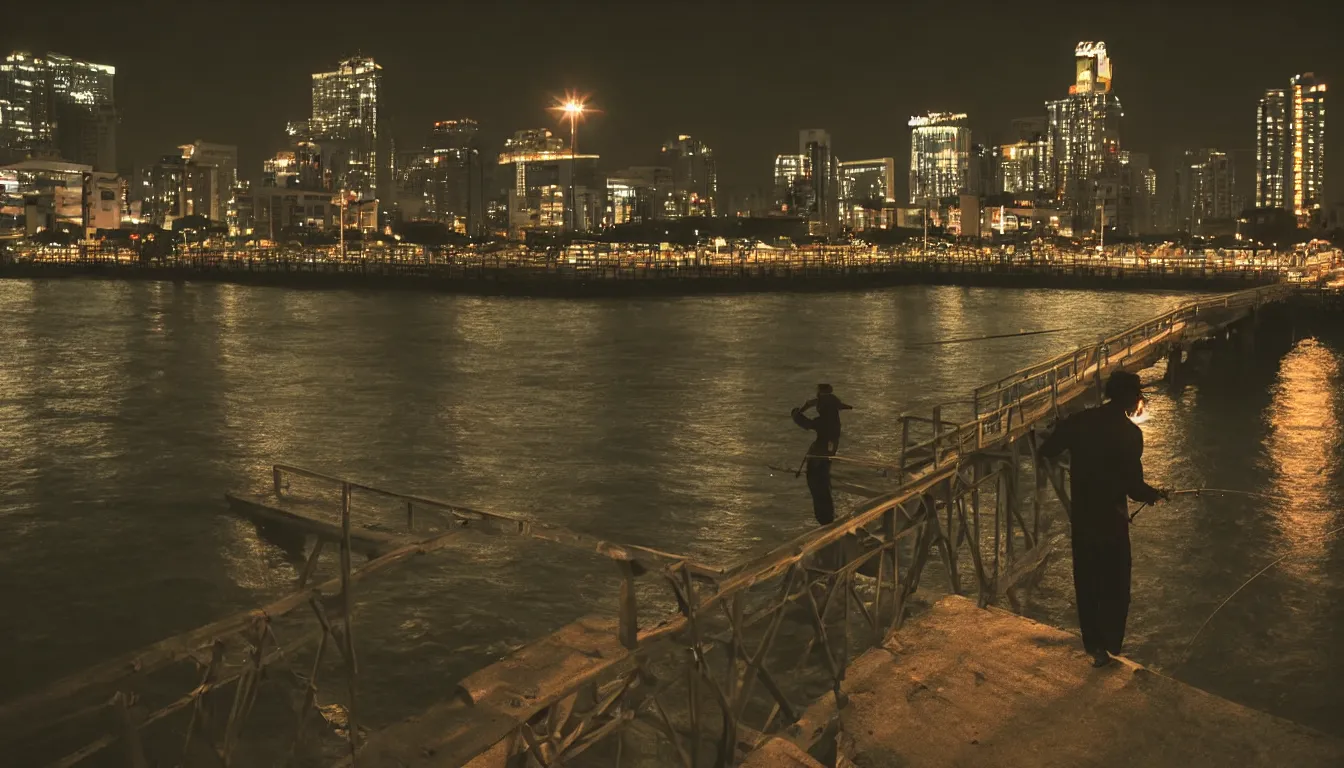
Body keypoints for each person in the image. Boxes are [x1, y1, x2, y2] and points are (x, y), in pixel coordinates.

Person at [1038, 370, 1166, 667]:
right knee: (1116, 585)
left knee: (1087, 582)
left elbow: (1048, 449)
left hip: (1084, 519)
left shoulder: (1080, 422)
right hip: (1113, 522)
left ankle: (1095, 647)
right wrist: (1155, 494)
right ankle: (1112, 645)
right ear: (1132, 397)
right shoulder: (1131, 434)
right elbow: (1134, 488)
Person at [791, 404, 836, 526]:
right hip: (824, 460)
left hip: (818, 462)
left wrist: (797, 412)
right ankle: (827, 519)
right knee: (824, 490)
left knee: (819, 490)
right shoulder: (833, 421)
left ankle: (824, 520)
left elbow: (805, 423)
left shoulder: (824, 421)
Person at [801, 384, 854, 454]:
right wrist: (849, 407)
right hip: (834, 423)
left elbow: (808, 404)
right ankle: (831, 454)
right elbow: (840, 406)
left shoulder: (819, 400)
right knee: (834, 439)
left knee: (823, 438)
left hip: (822, 423)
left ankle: (820, 452)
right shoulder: (832, 398)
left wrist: (800, 411)